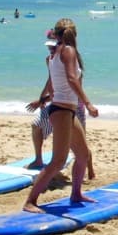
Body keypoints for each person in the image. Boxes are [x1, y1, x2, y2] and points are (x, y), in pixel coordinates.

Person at [23, 18, 98, 213]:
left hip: (66, 110)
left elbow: (51, 83)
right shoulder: (69, 51)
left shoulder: (53, 55)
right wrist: (88, 103)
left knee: (83, 154)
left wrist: (43, 100)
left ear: (56, 34)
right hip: (62, 110)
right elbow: (73, 79)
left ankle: (76, 193)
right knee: (58, 160)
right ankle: (30, 201)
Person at [24, 39, 94, 179]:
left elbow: (68, 89)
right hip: (56, 105)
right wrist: (42, 98)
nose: (50, 49)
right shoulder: (50, 60)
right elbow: (50, 81)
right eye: (48, 46)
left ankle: (91, 170)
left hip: (73, 107)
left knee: (80, 145)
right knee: (36, 125)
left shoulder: (71, 63)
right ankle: (38, 158)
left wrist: (87, 104)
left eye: (52, 46)